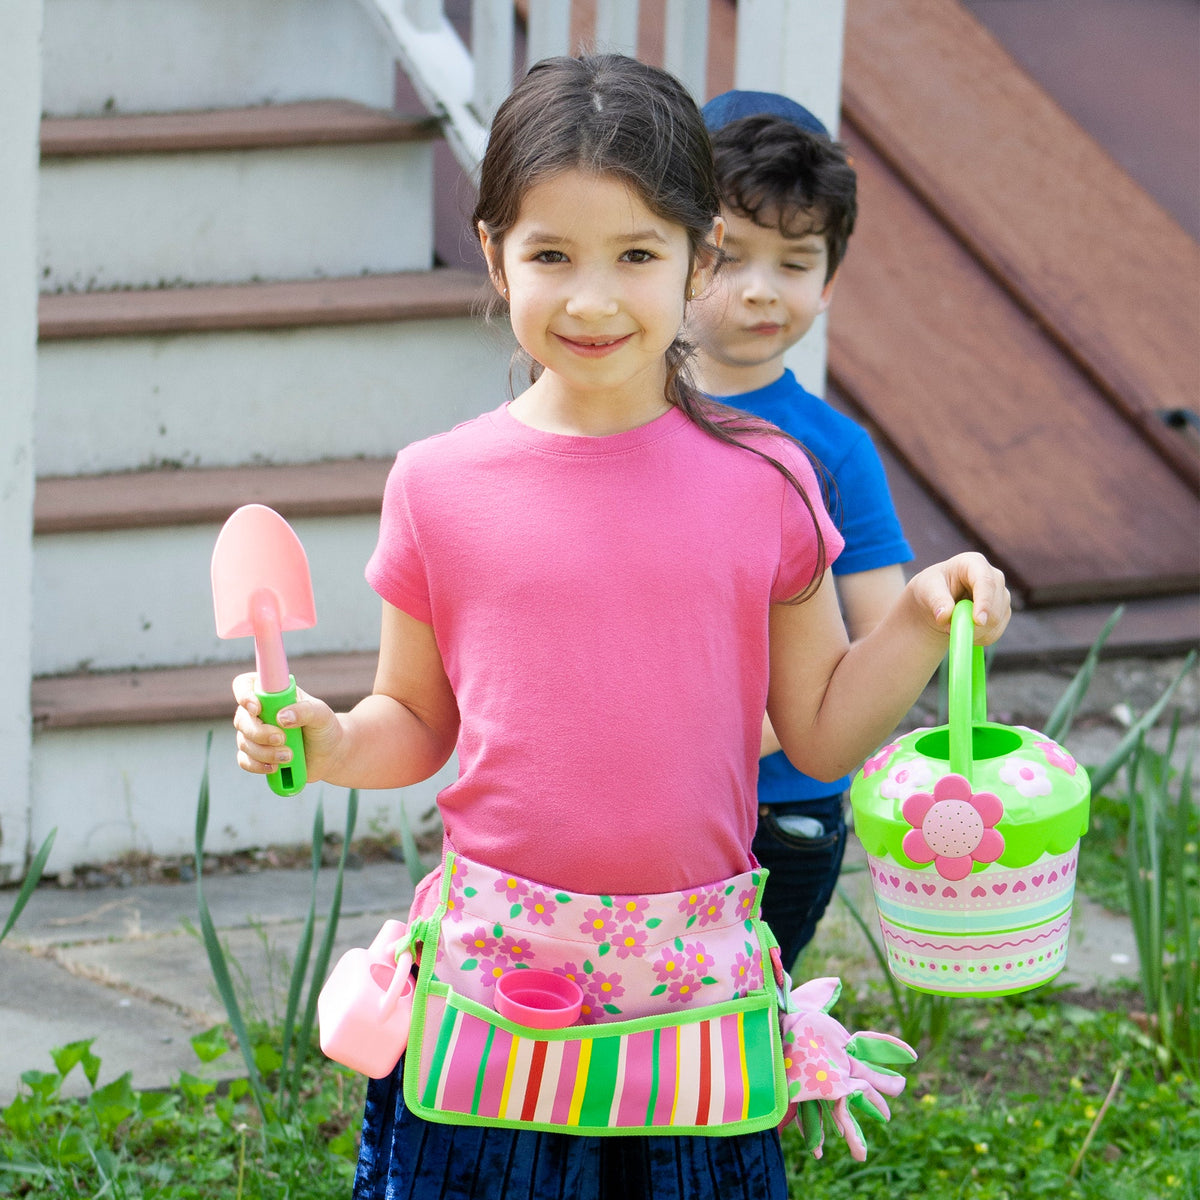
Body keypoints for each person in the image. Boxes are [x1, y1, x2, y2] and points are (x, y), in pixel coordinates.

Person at [231, 55, 1009, 1200]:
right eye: (552, 255)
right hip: (499, 986)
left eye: (637, 255)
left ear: (698, 256)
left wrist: (917, 616)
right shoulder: (438, 484)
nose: (592, 299)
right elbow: (414, 716)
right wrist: (332, 736)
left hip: (694, 990)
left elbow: (823, 732)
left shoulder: (770, 483)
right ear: (495, 251)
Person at [688, 90, 914, 972]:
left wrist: (746, 738)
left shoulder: (833, 451)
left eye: (793, 261)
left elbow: (885, 633)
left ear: (827, 280)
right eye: (727, 255)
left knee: (745, 1034)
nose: (758, 289)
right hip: (634, 808)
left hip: (784, 814)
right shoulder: (613, 427)